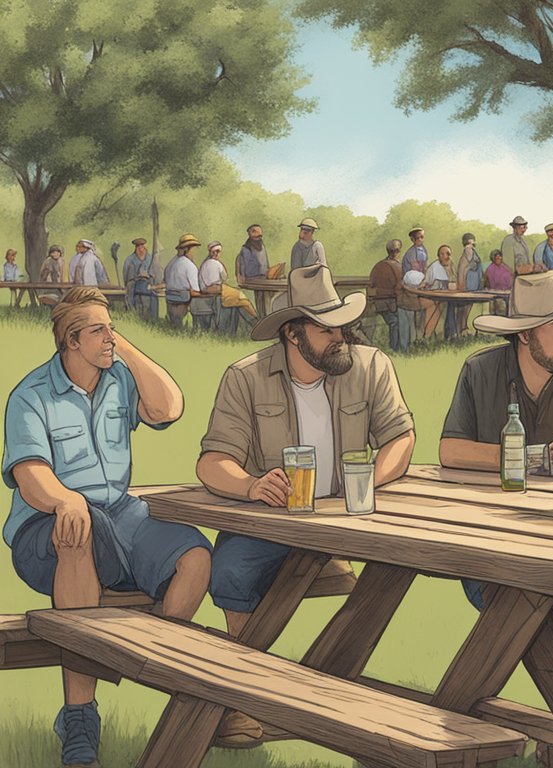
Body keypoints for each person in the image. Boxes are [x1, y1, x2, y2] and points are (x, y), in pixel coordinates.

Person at [198, 265, 414, 745]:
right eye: (325, 327)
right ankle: (241, 698)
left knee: (400, 568)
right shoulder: (246, 377)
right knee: (230, 567)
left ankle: (344, 710)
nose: (339, 336)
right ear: (293, 334)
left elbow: (401, 437)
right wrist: (252, 485)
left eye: (340, 325)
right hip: (275, 523)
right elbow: (212, 463)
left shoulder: (371, 365)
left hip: (351, 523)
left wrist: (370, 482)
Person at [3, 288, 211, 768]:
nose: (109, 336)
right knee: (78, 533)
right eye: (98, 330)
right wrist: (64, 500)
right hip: (47, 525)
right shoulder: (31, 395)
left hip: (121, 515)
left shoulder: (120, 377)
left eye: (110, 326)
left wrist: (124, 347)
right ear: (70, 342)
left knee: (195, 557)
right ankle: (79, 717)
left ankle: (151, 662)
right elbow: (30, 476)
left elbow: (169, 408)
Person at [439, 271, 553, 608]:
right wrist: (536, 458)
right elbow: (451, 450)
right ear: (526, 335)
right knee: (514, 606)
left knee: (525, 612)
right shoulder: (480, 371)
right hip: (489, 540)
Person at [163, 234, 205, 328]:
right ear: (188, 249)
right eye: (194, 249)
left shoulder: (170, 264)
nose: (195, 252)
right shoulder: (189, 266)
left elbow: (166, 281)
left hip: (170, 300)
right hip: (183, 302)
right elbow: (195, 292)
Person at [369, 239, 404, 350]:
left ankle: (398, 347)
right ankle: (396, 348)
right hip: (391, 303)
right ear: (398, 251)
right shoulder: (398, 267)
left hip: (379, 303)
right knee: (397, 321)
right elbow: (401, 287)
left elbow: (372, 284)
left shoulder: (378, 266)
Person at [193, 241, 229, 332]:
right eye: (214, 251)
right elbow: (213, 286)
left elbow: (224, 276)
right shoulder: (212, 264)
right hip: (208, 293)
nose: (216, 254)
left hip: (210, 291)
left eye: (218, 252)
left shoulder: (214, 263)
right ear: (210, 252)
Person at [122, 238, 159, 321]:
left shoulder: (151, 259)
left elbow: (156, 274)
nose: (140, 249)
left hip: (149, 289)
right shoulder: (129, 260)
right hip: (134, 290)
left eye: (142, 246)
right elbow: (126, 277)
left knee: (150, 309)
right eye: (138, 247)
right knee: (136, 310)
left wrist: (148, 275)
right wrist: (136, 278)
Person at [424, 244, 454, 339]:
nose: (445, 256)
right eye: (442, 254)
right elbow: (425, 283)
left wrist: (449, 271)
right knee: (435, 315)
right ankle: (430, 337)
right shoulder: (434, 267)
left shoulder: (451, 266)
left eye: (448, 254)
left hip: (446, 298)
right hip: (433, 299)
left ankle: (448, 337)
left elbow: (454, 283)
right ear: (438, 256)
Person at [456, 232, 483, 335]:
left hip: (473, 284)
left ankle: (464, 327)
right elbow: (462, 270)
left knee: (468, 306)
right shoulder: (466, 253)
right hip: (467, 285)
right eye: (469, 243)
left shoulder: (472, 252)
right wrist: (462, 285)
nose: (471, 246)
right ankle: (462, 328)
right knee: (464, 307)